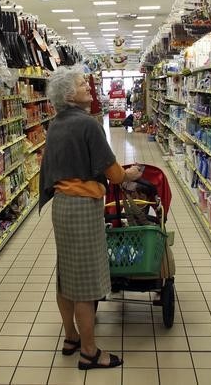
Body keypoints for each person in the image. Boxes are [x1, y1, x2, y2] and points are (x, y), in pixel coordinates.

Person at [39, 66, 142, 371]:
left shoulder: (56, 124)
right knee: (84, 283)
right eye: (83, 83)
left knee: (65, 276)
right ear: (69, 94)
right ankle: (89, 352)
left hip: (62, 205)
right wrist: (128, 175)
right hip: (83, 206)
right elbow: (112, 170)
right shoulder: (87, 124)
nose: (89, 87)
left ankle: (71, 337)